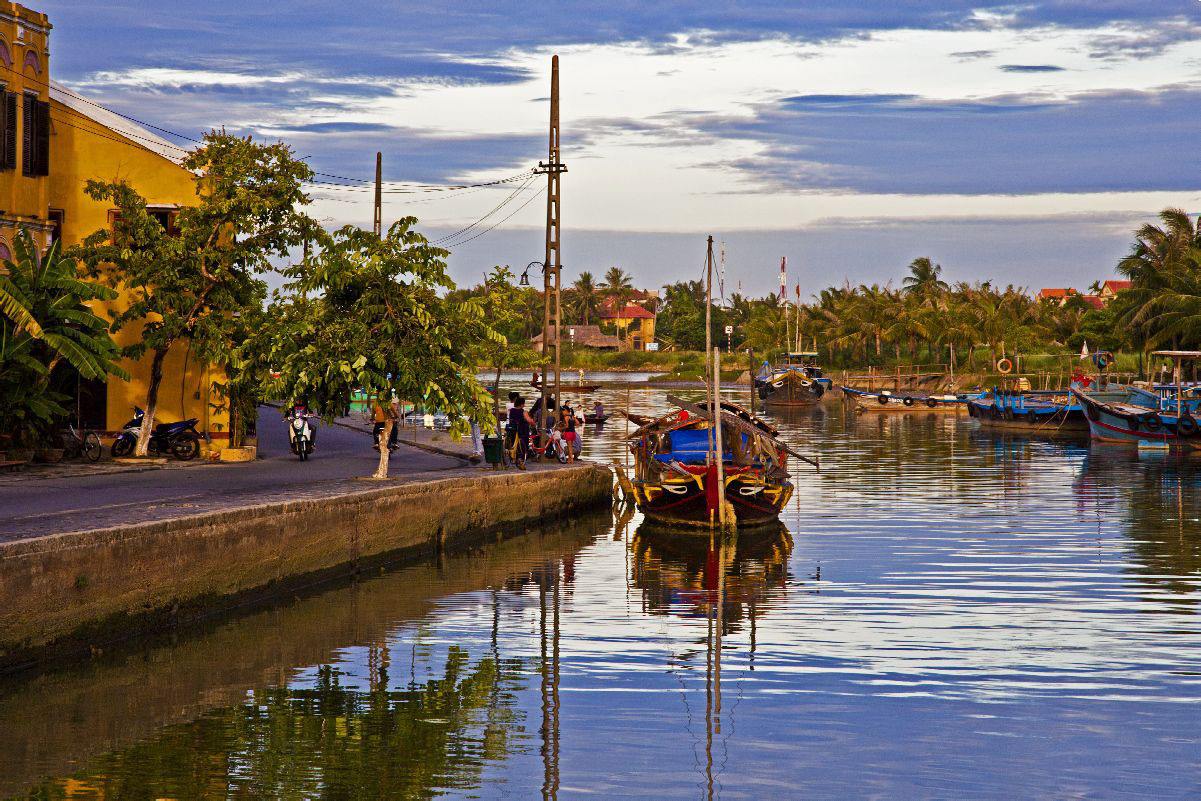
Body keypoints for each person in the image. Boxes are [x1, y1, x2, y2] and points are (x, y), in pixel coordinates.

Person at [508, 396, 533, 468]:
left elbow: (510, 419)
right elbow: (529, 420)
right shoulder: (523, 412)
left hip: (513, 429)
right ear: (521, 404)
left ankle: (513, 458)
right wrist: (532, 422)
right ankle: (520, 458)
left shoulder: (511, 410)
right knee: (523, 443)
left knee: (513, 442)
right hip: (522, 429)